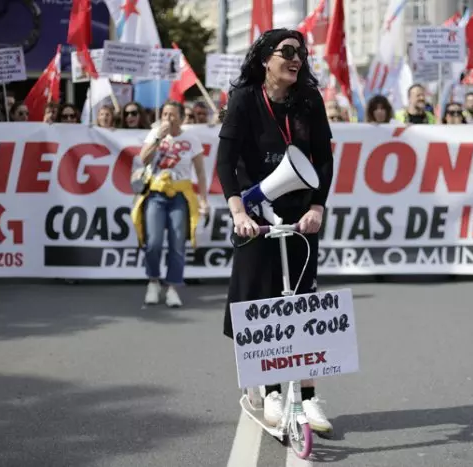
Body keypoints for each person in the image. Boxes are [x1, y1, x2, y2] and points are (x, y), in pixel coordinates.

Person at [216, 28, 334, 434]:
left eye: (301, 52)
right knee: (262, 305)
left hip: (300, 219)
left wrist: (317, 205)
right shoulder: (246, 100)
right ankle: (269, 391)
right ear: (266, 58)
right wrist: (237, 211)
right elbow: (225, 161)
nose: (296, 58)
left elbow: (322, 161)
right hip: (254, 215)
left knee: (304, 306)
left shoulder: (309, 100)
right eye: (286, 51)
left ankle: (309, 397)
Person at [131, 100, 209, 307]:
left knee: (177, 243)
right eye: (165, 114)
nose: (168, 118)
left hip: (180, 196)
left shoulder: (191, 139)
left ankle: (173, 287)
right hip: (156, 194)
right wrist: (158, 137)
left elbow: (200, 171)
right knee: (154, 242)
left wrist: (203, 199)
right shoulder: (154, 134)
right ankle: (153, 282)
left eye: (172, 115)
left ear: (182, 117)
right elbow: (143, 158)